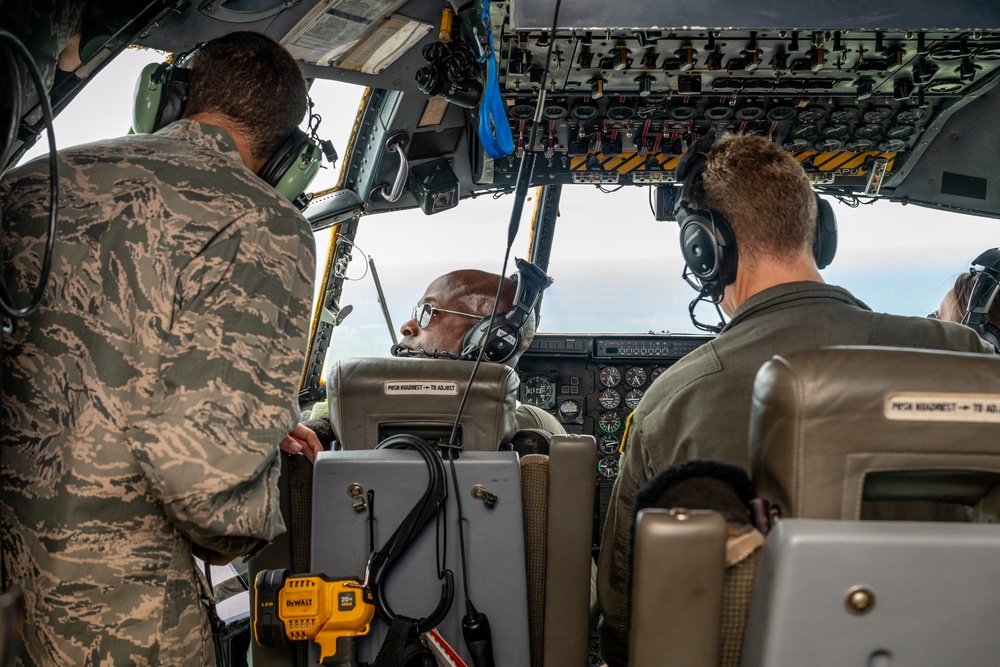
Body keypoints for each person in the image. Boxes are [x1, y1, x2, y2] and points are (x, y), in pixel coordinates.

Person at [595, 133, 997, 667]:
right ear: (820, 234)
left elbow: (627, 619)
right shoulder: (963, 355)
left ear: (705, 249)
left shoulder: (671, 403)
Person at [1, 32, 317, 666]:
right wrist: (250, 455)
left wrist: (260, 419)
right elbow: (208, 495)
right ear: (287, 154)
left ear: (170, 102)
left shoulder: (25, 186)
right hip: (117, 624)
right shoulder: (264, 225)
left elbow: (87, 354)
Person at [302, 268, 564, 445]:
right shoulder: (543, 428)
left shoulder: (328, 420)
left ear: (488, 339)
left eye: (428, 312)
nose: (407, 326)